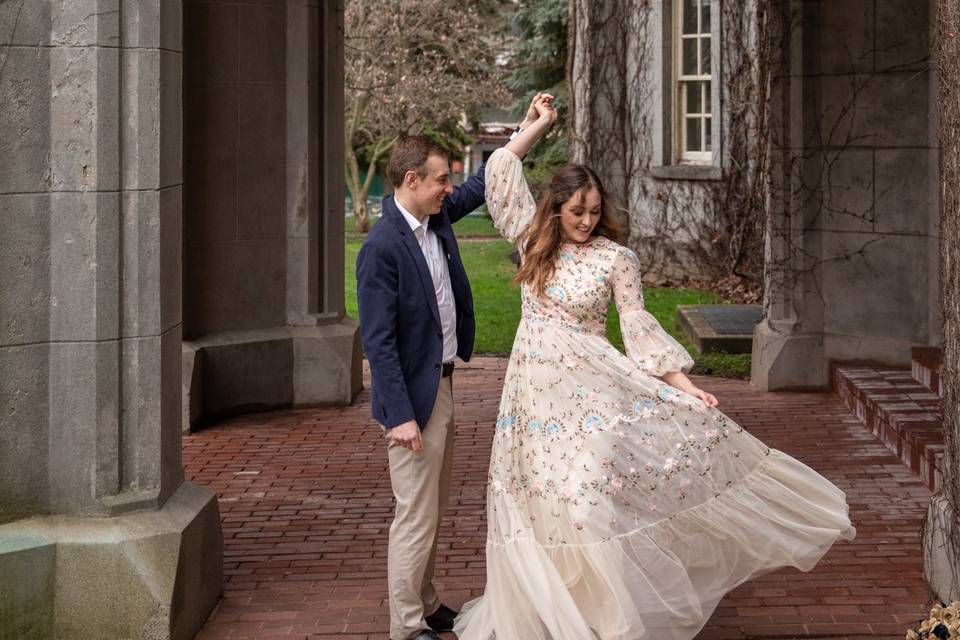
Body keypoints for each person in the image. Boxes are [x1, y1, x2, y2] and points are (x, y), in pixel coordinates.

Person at [453, 100, 856, 640]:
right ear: (555, 210)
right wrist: (538, 127)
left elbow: (638, 329)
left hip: (595, 393)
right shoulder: (533, 243)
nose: (587, 221)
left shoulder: (616, 259)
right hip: (533, 403)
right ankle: (550, 611)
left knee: (590, 501)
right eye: (576, 212)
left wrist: (684, 386)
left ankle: (605, 616)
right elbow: (500, 171)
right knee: (542, 503)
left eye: (594, 211)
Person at [356, 95, 555, 640]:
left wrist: (532, 128)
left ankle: (426, 600)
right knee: (415, 516)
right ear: (413, 179)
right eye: (443, 179)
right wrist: (399, 416)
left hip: (441, 385)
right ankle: (406, 626)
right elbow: (379, 343)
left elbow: (491, 178)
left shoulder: (435, 216)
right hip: (412, 401)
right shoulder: (381, 249)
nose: (451, 187)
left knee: (432, 508)